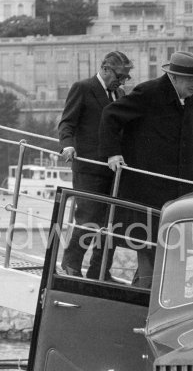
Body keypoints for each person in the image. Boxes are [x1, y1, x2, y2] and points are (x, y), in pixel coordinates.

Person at [99, 51, 193, 288]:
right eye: (191, 80)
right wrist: (113, 153)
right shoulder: (148, 93)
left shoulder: (189, 98)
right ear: (175, 78)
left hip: (177, 187)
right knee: (150, 241)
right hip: (149, 187)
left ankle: (148, 289)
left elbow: (190, 133)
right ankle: (145, 292)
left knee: (165, 242)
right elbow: (110, 115)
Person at [58, 51, 133, 279]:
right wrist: (67, 146)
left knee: (112, 223)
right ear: (105, 68)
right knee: (88, 219)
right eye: (120, 76)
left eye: (125, 78)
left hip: (113, 171)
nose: (121, 81)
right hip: (89, 169)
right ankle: (71, 263)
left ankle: (99, 270)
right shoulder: (83, 87)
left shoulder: (119, 94)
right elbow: (66, 123)